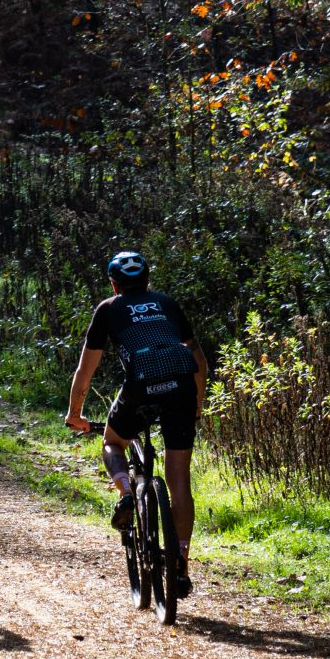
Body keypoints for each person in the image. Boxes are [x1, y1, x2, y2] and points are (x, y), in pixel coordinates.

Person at [64, 249, 209, 597]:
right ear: (148, 280)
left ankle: (126, 493)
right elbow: (198, 358)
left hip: (141, 386)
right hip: (182, 389)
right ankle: (181, 564)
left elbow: (85, 371)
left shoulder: (109, 309)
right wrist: (197, 405)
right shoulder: (167, 303)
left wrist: (75, 414)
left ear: (114, 284)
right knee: (179, 481)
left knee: (113, 442)